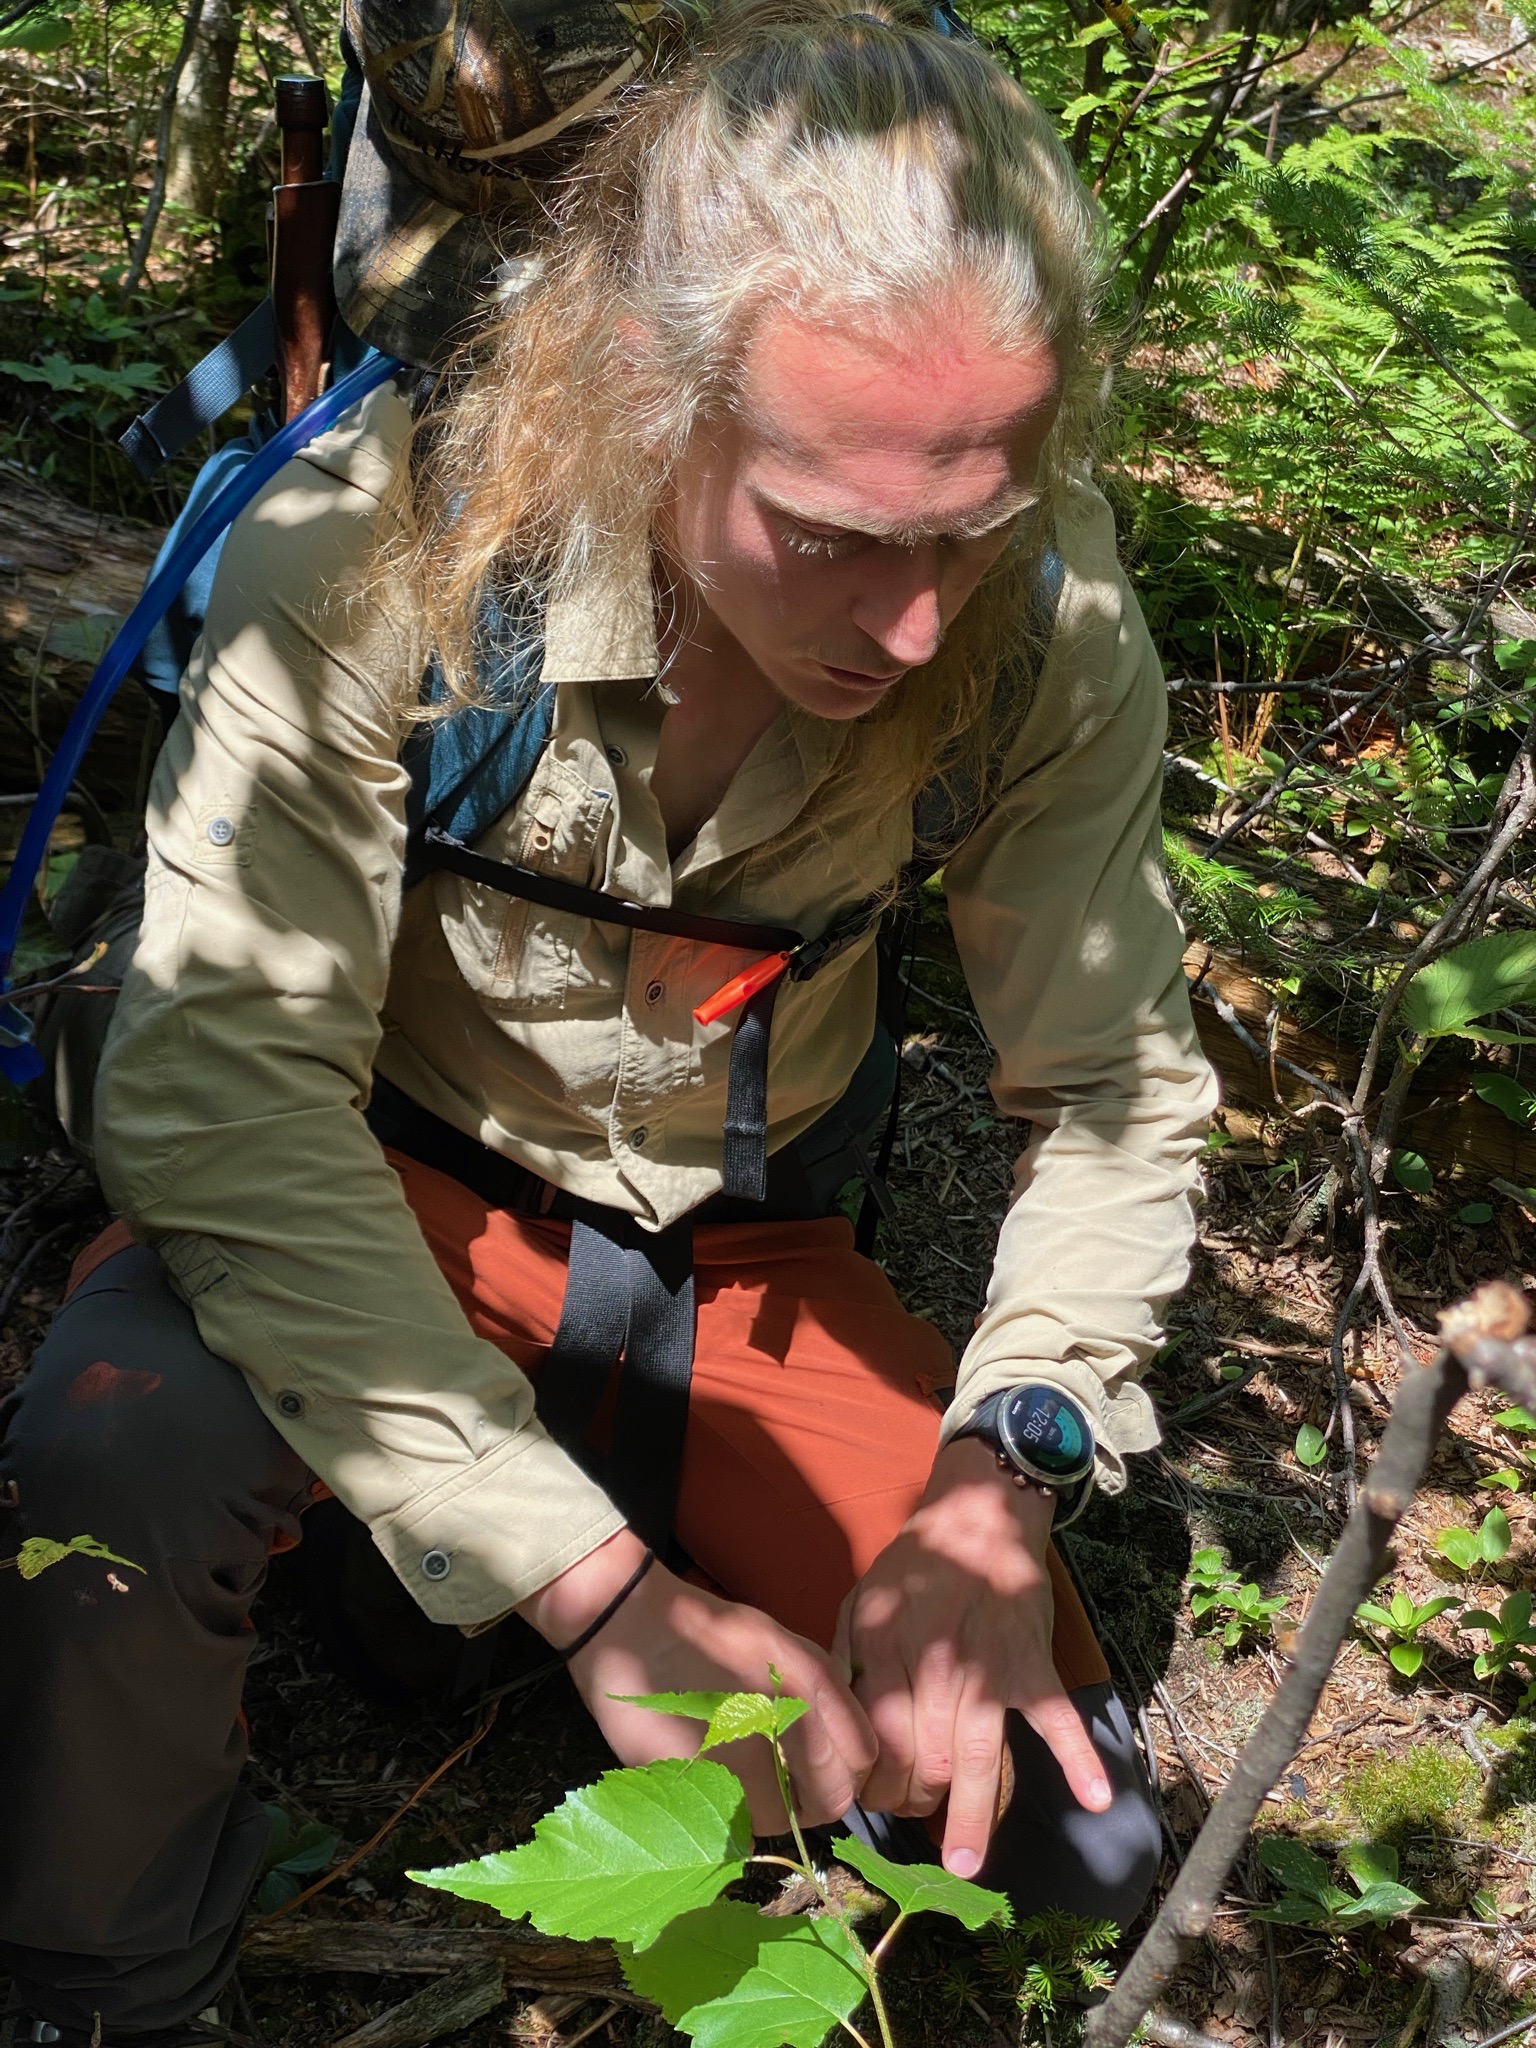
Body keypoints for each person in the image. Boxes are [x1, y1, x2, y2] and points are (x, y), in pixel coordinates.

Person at [0, 0, 1217, 2039]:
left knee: (1062, 1840)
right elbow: (223, 1101)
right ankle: (100, 1977)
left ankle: (479, 1582)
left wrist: (1002, 1466)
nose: (911, 623)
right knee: (118, 1468)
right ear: (651, 391)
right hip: (382, 1177)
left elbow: (1110, 1089)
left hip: (745, 1255)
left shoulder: (1043, 624)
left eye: (971, 528)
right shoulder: (375, 551)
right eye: (830, 535)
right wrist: (598, 1591)